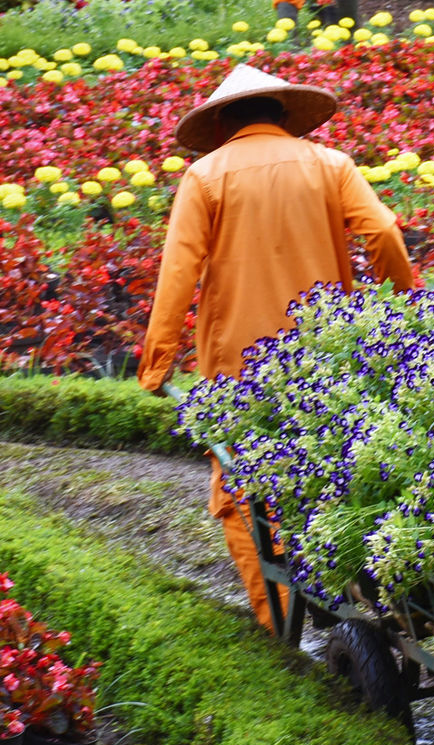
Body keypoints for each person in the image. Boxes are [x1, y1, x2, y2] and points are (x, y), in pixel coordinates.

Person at [137, 64, 414, 632]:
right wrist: (403, 308)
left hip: (240, 366)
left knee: (242, 487)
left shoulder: (206, 176)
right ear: (286, 117)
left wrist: (157, 360)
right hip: (331, 354)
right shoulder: (330, 165)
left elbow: (179, 271)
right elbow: (384, 232)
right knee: (340, 468)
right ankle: (354, 595)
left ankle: (282, 619)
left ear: (221, 125)